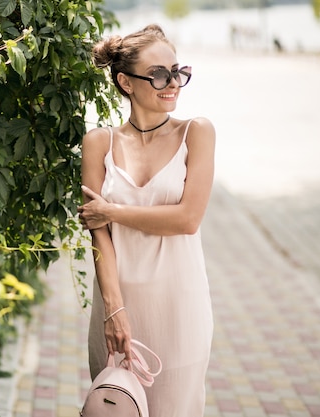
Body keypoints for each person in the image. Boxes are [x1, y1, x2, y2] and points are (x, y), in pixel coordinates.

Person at [78, 24, 215, 416]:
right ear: (125, 81)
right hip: (118, 308)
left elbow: (187, 219)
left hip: (180, 306)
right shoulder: (99, 142)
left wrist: (113, 210)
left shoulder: (197, 133)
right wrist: (113, 309)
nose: (172, 83)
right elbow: (98, 233)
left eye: (177, 72)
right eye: (158, 74)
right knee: (113, 407)